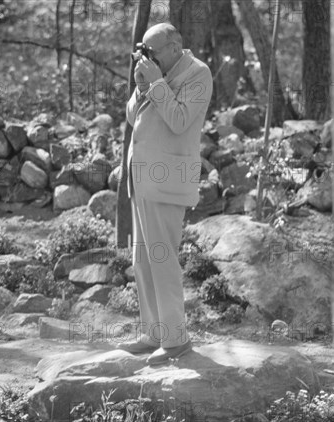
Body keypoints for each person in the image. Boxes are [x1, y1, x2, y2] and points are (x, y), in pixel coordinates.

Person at [115, 23, 213, 365]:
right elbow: (131, 118)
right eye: (142, 50)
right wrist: (142, 88)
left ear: (176, 46)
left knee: (163, 258)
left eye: (152, 51)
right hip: (141, 178)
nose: (146, 57)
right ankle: (153, 332)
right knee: (142, 259)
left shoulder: (198, 74)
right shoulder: (155, 72)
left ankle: (175, 340)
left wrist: (155, 83)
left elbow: (180, 119)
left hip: (168, 180)